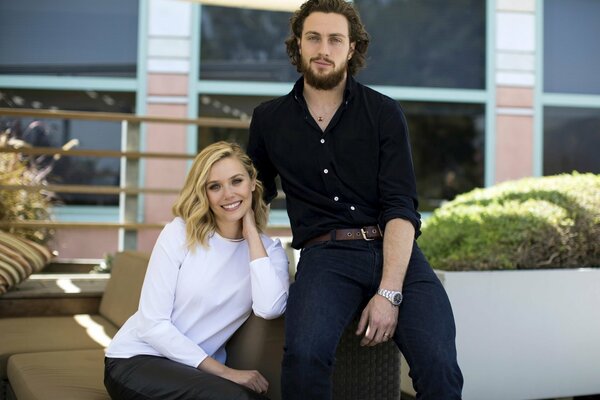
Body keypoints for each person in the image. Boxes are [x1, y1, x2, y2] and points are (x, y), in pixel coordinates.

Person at [247, 1, 463, 399]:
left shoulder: (383, 113)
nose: (323, 49)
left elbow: (401, 207)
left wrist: (389, 293)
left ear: (352, 48)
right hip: (325, 258)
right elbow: (252, 195)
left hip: (396, 253)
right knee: (304, 358)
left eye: (335, 39)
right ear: (298, 44)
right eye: (313, 38)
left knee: (439, 364)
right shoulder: (269, 120)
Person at [104, 141, 290, 400]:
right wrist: (225, 372)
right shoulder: (179, 233)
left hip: (194, 372)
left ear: (252, 184)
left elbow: (269, 307)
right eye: (215, 186)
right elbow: (152, 324)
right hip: (137, 359)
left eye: (236, 181)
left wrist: (250, 234)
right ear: (204, 193)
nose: (228, 194)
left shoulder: (269, 251)